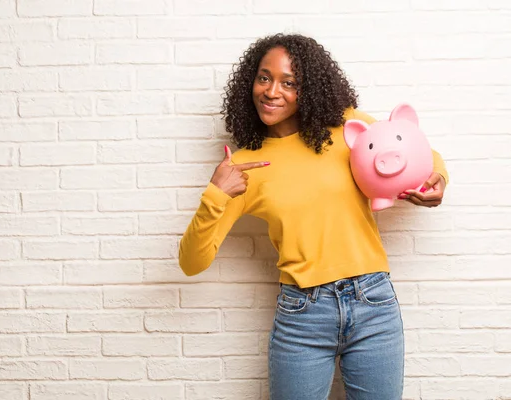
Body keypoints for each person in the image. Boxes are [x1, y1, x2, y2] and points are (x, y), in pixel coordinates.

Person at [178, 33, 448, 400]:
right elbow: (193, 261)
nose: (272, 91)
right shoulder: (243, 166)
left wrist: (437, 181)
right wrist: (215, 194)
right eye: (264, 77)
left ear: (310, 89)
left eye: (289, 82)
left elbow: (420, 151)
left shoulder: (348, 130)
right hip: (302, 315)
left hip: (374, 304)